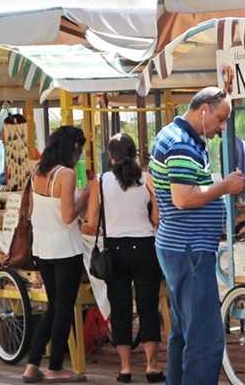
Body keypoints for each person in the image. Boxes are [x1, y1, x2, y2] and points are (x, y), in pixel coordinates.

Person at [150, 86, 245, 385]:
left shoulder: (176, 136)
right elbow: (183, 198)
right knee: (205, 338)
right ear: (204, 110)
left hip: (179, 246)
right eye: (221, 118)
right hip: (189, 248)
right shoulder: (182, 144)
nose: (223, 127)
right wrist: (225, 187)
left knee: (184, 332)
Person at [83, 133, 164, 383]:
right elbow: (156, 219)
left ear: (111, 157)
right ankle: (152, 366)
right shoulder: (147, 179)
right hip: (145, 248)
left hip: (115, 251)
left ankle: (126, 367)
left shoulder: (100, 181)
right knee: (148, 306)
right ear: (134, 153)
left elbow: (92, 223)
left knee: (120, 308)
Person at [23, 126, 89, 383]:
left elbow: (32, 209)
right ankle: (55, 367)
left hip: (43, 248)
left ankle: (32, 365)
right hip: (66, 248)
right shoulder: (66, 174)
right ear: (72, 148)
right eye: (80, 149)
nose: (80, 154)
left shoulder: (37, 171)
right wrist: (85, 195)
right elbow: (68, 216)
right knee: (63, 309)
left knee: (53, 307)